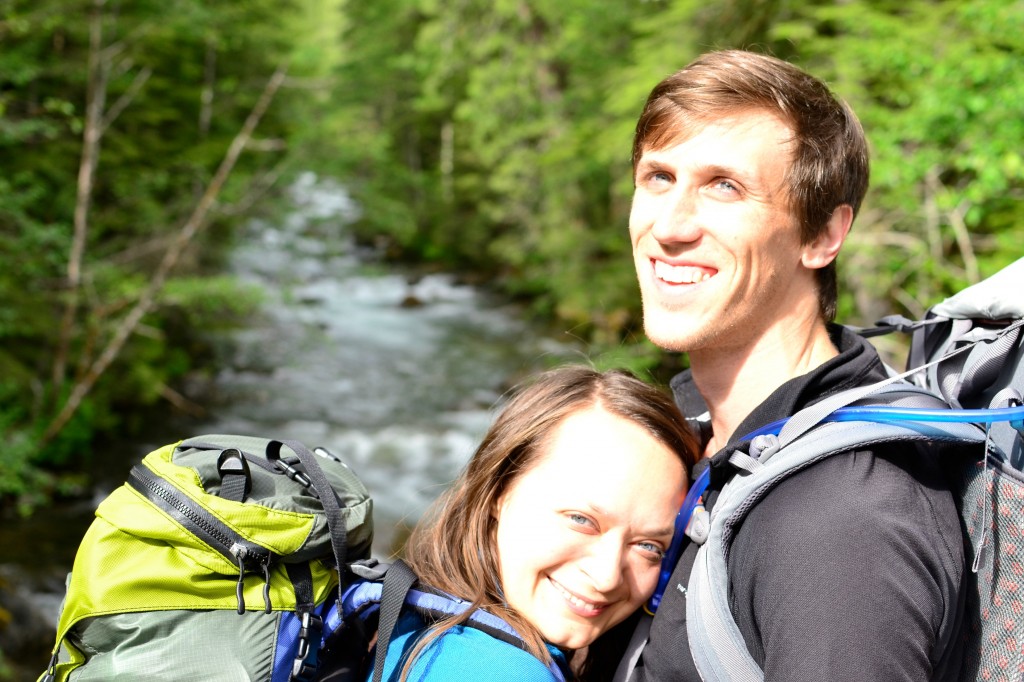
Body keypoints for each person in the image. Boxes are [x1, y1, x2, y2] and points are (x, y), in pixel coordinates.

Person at [617, 50, 966, 681]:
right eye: (658, 177)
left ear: (822, 237)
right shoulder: (711, 433)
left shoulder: (838, 522)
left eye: (725, 186)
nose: (669, 227)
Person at [372, 366, 699, 681]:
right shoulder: (499, 673)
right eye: (581, 520)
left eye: (648, 546)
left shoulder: (419, 621)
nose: (607, 577)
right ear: (500, 490)